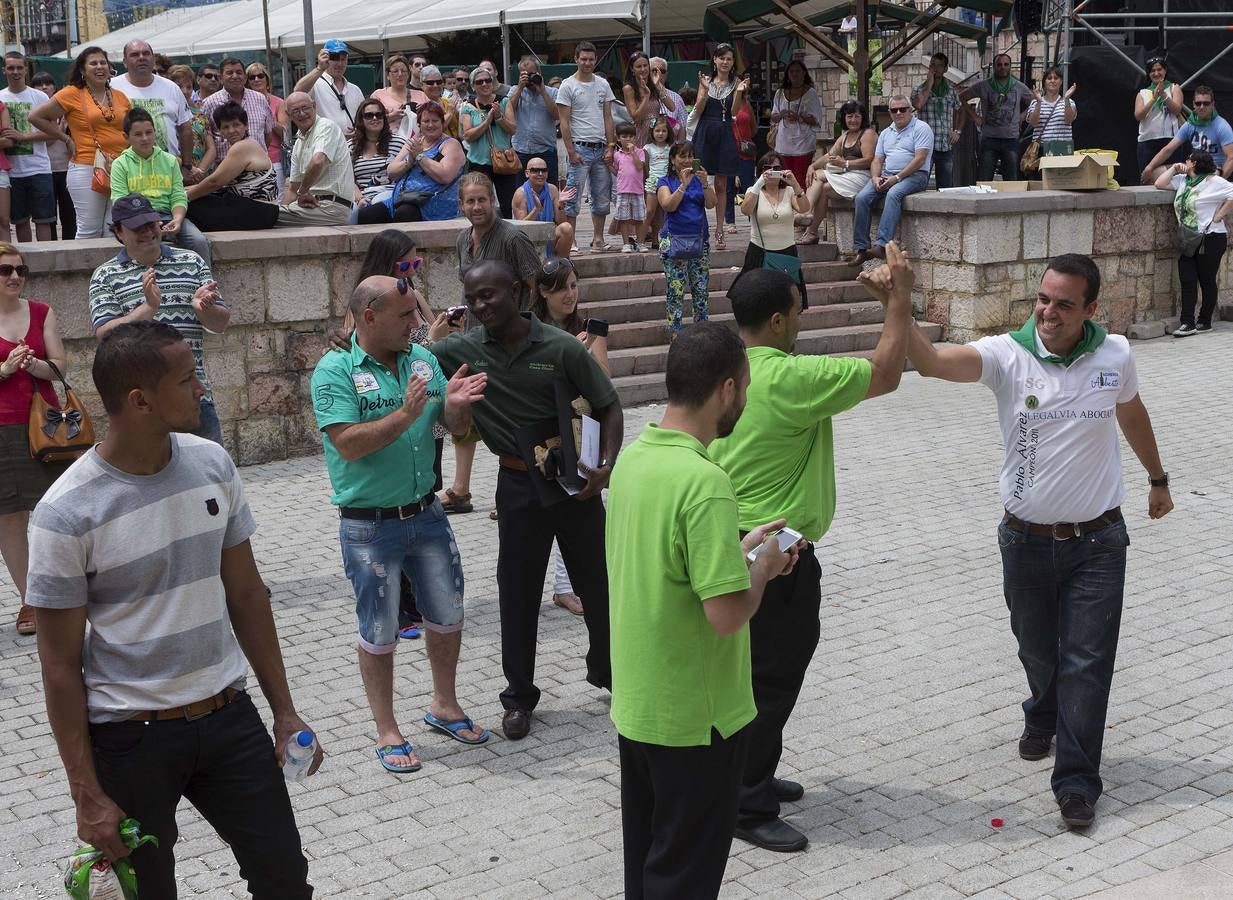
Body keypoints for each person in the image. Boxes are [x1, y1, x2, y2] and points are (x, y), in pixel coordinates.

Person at [28, 319, 321, 896]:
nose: (203, 389)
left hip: (228, 716)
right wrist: (85, 793)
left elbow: (248, 594)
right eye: (188, 380)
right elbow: (59, 665)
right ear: (139, 401)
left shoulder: (212, 463)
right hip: (130, 739)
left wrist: (284, 711)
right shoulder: (65, 513)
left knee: (285, 878)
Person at [905, 253, 1174, 830]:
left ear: (1091, 309)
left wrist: (1158, 479)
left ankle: (1076, 783)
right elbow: (928, 363)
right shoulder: (1008, 354)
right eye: (1043, 299)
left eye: (1064, 304)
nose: (1049, 312)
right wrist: (898, 303)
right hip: (1024, 542)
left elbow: (1131, 413)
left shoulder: (1116, 354)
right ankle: (1042, 710)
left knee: (1087, 662)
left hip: (1100, 541)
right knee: (1037, 648)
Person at [709, 251, 914, 853]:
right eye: (798, 310)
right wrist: (897, 299)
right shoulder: (792, 378)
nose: (802, 319)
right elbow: (887, 372)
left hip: (729, 546)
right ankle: (746, 800)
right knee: (771, 679)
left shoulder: (726, 371)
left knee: (748, 675)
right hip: (776, 556)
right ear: (777, 319)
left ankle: (752, 771)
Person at [607, 321, 799, 900]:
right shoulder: (706, 481)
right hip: (698, 719)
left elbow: (666, 571)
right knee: (684, 877)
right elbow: (726, 615)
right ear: (727, 390)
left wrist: (736, 550)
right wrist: (765, 565)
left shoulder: (634, 461)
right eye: (745, 386)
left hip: (640, 708)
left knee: (647, 863)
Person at [430, 259, 624, 741]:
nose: (480, 306)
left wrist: (607, 466)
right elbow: (403, 355)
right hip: (516, 487)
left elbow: (609, 404)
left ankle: (612, 673)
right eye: (472, 298)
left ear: (517, 292)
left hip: (573, 485)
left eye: (489, 295)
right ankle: (518, 698)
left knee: (598, 586)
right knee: (517, 595)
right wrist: (346, 343)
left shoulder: (560, 348)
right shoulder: (465, 349)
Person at [311, 275, 490, 773]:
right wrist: (407, 412)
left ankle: (444, 705)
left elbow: (448, 429)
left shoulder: (423, 360)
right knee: (379, 630)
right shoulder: (334, 370)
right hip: (369, 527)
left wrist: (452, 408)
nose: (417, 323)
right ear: (369, 317)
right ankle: (387, 729)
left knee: (448, 615)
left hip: (427, 514)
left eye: (415, 313)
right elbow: (348, 442)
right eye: (405, 315)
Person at [90, 193, 229, 445]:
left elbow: (220, 323)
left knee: (210, 477)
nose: (147, 232)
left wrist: (203, 309)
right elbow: (105, 335)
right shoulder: (105, 276)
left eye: (151, 224)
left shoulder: (191, 261)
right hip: (142, 405)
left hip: (193, 395)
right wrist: (148, 307)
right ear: (119, 233)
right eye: (137, 227)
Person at [0, 242, 68, 636]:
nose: (13, 277)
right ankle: (31, 601)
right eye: (5, 271)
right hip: (3, 427)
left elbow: (60, 364)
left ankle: (65, 588)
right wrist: (5, 369)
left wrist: (38, 365)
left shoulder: (41, 312)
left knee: (58, 511)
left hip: (47, 425)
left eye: (20, 271)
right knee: (10, 516)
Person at [29, 46, 131, 238]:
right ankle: (86, 269)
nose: (100, 67)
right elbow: (36, 117)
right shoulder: (72, 93)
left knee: (115, 229)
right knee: (89, 230)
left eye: (103, 62)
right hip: (86, 167)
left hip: (119, 167)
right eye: (93, 63)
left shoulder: (120, 96)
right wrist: (65, 138)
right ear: (83, 70)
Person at [109, 107, 212, 265]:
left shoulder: (170, 161)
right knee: (146, 247)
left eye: (149, 132)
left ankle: (206, 286)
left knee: (198, 241)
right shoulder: (120, 164)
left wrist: (177, 219)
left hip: (168, 216)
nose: (145, 138)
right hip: (136, 220)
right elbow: (120, 202)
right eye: (137, 134)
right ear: (126, 137)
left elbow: (178, 195)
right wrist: (148, 223)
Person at [846, 95, 932, 266]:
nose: (898, 113)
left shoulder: (922, 128)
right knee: (862, 197)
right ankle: (861, 248)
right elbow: (877, 160)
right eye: (894, 110)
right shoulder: (886, 133)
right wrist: (876, 177)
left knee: (893, 194)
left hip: (916, 176)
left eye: (903, 109)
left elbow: (920, 159)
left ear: (910, 110)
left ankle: (881, 245)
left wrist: (897, 178)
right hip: (888, 174)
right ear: (890, 112)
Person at [1154, 150, 1233, 337]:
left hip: (1210, 238)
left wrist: (1220, 214)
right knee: (1187, 280)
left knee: (1206, 280)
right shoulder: (1183, 181)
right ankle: (1187, 323)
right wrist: (1174, 168)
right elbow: (1159, 183)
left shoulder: (1213, 182)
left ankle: (1204, 321)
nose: (1185, 161)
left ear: (1195, 163)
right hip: (1188, 239)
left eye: (1188, 159)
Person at [360, 101, 463, 224]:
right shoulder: (414, 142)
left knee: (405, 213)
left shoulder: (450, 144)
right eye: (426, 121)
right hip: (402, 199)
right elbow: (391, 172)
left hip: (432, 201)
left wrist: (420, 156)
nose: (430, 125)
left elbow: (445, 176)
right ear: (419, 124)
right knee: (366, 215)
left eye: (435, 121)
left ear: (442, 122)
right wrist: (409, 162)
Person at [557, 41, 617, 252]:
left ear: (596, 59)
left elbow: (608, 117)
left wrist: (611, 146)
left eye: (591, 59)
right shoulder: (567, 85)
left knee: (601, 195)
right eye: (583, 59)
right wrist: (571, 151)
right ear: (576, 59)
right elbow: (563, 121)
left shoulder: (603, 84)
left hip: (601, 147)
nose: (587, 63)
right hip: (579, 147)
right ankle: (571, 241)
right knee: (573, 196)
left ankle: (598, 239)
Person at [185, 101, 279, 231]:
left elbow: (215, 182)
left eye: (236, 125)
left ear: (246, 125)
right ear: (220, 131)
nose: (231, 130)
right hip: (259, 211)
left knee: (187, 206)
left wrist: (184, 198)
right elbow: (219, 183)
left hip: (258, 212)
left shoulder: (243, 146)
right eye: (226, 127)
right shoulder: (247, 145)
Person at [109, 41, 195, 179]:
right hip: (126, 172)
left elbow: (185, 128)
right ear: (125, 62)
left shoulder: (171, 88)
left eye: (146, 53)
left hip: (167, 171)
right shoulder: (111, 87)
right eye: (135, 54)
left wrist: (186, 166)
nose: (141, 57)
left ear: (153, 59)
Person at [692, 43, 749, 251]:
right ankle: (698, 226)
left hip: (725, 132)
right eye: (722, 58)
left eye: (729, 59)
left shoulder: (736, 83)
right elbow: (698, 108)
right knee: (699, 180)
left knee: (722, 185)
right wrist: (705, 91)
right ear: (714, 60)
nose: (725, 62)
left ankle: (720, 229)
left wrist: (739, 92)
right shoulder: (705, 80)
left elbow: (733, 113)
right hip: (706, 131)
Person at [738, 152, 811, 308]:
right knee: (758, 303)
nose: (772, 171)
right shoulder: (754, 190)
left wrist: (795, 184)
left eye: (776, 167)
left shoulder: (790, 192)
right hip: (759, 252)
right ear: (761, 170)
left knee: (785, 303)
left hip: (786, 253)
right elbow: (745, 209)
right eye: (767, 168)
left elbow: (804, 208)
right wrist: (759, 183)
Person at [658, 140, 716, 335]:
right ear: (673, 159)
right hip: (674, 241)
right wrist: (683, 186)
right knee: (676, 291)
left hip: (699, 240)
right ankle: (675, 333)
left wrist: (706, 183)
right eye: (682, 156)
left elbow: (711, 204)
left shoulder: (700, 180)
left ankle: (702, 331)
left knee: (701, 290)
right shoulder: (664, 181)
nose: (687, 160)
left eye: (690, 156)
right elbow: (668, 205)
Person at [799, 100, 876, 244]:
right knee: (823, 189)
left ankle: (805, 212)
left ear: (863, 118)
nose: (853, 120)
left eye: (857, 116)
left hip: (863, 176)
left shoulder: (867, 134)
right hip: (848, 176)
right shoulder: (845, 136)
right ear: (844, 118)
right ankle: (812, 232)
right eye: (849, 116)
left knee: (819, 175)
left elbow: (869, 160)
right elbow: (828, 156)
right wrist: (812, 166)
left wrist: (845, 163)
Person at [1, 52, 55, 242]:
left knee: (44, 220)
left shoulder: (39, 97)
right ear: (4, 70)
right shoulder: (0, 97)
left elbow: (53, 133)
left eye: (19, 67)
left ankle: (48, 266)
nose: (15, 72)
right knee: (20, 222)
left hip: (39, 169)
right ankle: (27, 267)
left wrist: (22, 136)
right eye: (10, 68)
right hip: (12, 172)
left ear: (26, 69)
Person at [278, 91, 354, 226]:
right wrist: (280, 209)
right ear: (288, 115)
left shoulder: (325, 126)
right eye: (295, 110)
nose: (301, 113)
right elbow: (292, 190)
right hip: (310, 207)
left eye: (305, 108)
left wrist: (303, 192)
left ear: (314, 106)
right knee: (269, 215)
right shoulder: (298, 143)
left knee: (266, 216)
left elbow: (317, 161)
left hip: (333, 207)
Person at [1140, 85, 1233, 183]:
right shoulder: (1190, 124)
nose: (1202, 107)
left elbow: (1231, 158)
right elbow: (1168, 149)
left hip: (1213, 172)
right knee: (1153, 175)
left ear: (1213, 104)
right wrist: (1149, 168)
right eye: (1198, 103)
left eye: (1206, 103)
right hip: (1193, 169)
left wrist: (1219, 182)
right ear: (1193, 104)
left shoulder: (1221, 126)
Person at [963, 53, 1032, 181]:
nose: (1002, 67)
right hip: (989, 138)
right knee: (984, 178)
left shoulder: (1019, 86)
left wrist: (1023, 116)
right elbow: (962, 97)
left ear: (1010, 66)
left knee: (1011, 179)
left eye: (1006, 64)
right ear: (994, 67)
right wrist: (975, 117)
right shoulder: (984, 85)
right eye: (999, 65)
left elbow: (1034, 102)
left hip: (1011, 139)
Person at [459, 67, 517, 218]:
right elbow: (468, 135)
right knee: (479, 203)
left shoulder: (503, 101)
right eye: (480, 82)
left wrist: (499, 117)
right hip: (479, 162)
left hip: (504, 160)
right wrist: (487, 121)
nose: (485, 84)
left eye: (488, 80)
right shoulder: (468, 106)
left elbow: (512, 129)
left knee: (507, 204)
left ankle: (506, 236)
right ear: (473, 86)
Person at [201, 57, 276, 160]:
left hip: (258, 168)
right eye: (229, 73)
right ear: (221, 79)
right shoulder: (209, 103)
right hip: (225, 170)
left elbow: (268, 134)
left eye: (239, 72)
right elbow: (205, 140)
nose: (235, 76)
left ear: (245, 77)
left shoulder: (260, 99)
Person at [29, 71, 74, 240]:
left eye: (48, 84)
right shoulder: (35, 114)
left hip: (66, 167)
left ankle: (70, 245)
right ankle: (54, 244)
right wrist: (59, 131)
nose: (44, 87)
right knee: (49, 216)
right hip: (45, 170)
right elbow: (47, 142)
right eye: (39, 84)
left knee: (69, 212)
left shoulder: (65, 109)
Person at [911, 52, 964, 189]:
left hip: (944, 145)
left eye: (939, 66)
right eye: (932, 65)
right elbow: (918, 105)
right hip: (925, 146)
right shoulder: (919, 89)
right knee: (920, 184)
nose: (935, 69)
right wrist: (929, 84)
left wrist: (957, 131)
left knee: (945, 187)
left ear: (945, 69)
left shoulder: (951, 91)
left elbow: (961, 110)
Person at [350, 98, 408, 215]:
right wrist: (360, 198)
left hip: (390, 193)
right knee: (351, 214)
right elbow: (348, 180)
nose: (375, 118)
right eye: (369, 115)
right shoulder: (350, 146)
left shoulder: (399, 143)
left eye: (379, 115)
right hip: (360, 196)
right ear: (361, 119)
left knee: (376, 206)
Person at [770, 60, 823, 187]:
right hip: (783, 143)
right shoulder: (779, 93)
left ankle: (801, 205)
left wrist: (799, 117)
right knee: (783, 180)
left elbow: (816, 120)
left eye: (798, 71)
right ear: (787, 74)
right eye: (791, 71)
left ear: (804, 73)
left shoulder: (811, 93)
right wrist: (782, 115)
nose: (794, 74)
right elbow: (773, 117)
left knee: (800, 180)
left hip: (803, 144)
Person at [294, 41, 364, 138]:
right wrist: (320, 68)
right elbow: (298, 92)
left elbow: (363, 116)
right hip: (324, 144)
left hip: (352, 146)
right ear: (326, 58)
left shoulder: (355, 89)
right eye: (335, 59)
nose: (340, 63)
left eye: (343, 59)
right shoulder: (315, 84)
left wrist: (359, 129)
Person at [512, 155, 575, 258]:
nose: (540, 174)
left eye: (544, 170)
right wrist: (536, 209)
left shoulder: (552, 190)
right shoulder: (520, 194)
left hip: (548, 235)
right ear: (527, 173)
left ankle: (561, 266)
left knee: (566, 229)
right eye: (535, 170)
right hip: (527, 240)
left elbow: (561, 222)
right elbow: (521, 229)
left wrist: (561, 205)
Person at [509, 56, 560, 181]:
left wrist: (542, 90)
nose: (529, 78)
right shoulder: (515, 90)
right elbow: (508, 110)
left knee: (549, 190)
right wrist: (520, 87)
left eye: (531, 74)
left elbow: (557, 115)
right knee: (521, 192)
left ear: (539, 72)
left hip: (546, 150)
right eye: (524, 74)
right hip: (521, 150)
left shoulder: (552, 92)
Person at [1134, 57, 1184, 179]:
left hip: (1171, 139)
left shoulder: (1174, 88)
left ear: (1165, 70)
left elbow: (1177, 109)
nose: (1156, 73)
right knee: (1147, 178)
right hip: (1147, 141)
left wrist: (1163, 95)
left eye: (1159, 69)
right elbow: (1138, 116)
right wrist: (1154, 98)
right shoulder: (1142, 93)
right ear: (1149, 73)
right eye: (1153, 71)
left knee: (1173, 177)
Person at [166, 65, 216, 178]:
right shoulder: (166, 114)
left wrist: (199, 171)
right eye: (179, 87)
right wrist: (186, 169)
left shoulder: (200, 114)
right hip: (175, 172)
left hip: (200, 176)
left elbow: (211, 148)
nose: (185, 91)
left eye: (189, 87)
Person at [245, 61, 284, 193]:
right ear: (248, 81)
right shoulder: (243, 102)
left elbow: (284, 134)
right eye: (252, 77)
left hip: (273, 159)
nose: (256, 79)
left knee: (276, 198)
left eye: (260, 76)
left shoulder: (279, 102)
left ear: (267, 79)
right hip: (248, 160)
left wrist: (267, 113)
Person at [1027, 68, 1078, 160]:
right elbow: (1033, 123)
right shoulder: (1035, 102)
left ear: (1061, 81)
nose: (1052, 81)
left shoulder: (1070, 102)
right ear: (1044, 82)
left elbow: (1069, 120)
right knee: (1042, 174)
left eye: (1056, 78)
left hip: (1063, 148)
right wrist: (1039, 102)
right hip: (1041, 149)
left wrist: (1066, 99)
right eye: (1049, 78)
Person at [611, 122, 647, 252]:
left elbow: (639, 166)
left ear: (635, 138)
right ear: (618, 138)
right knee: (623, 218)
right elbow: (617, 171)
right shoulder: (617, 155)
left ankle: (640, 242)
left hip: (637, 190)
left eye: (631, 136)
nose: (628, 139)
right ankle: (626, 243)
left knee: (639, 218)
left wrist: (633, 152)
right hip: (622, 190)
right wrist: (608, 165)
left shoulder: (640, 152)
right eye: (625, 136)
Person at [637, 116, 673, 248]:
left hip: (666, 182)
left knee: (663, 213)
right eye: (657, 131)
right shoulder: (648, 148)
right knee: (650, 211)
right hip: (652, 181)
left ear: (668, 132)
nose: (660, 134)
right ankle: (640, 241)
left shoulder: (670, 148)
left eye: (663, 131)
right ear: (652, 132)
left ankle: (657, 240)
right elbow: (645, 168)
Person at [370, 55, 422, 139]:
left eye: (403, 71)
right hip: (388, 144)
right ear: (387, 75)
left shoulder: (421, 95)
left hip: (418, 144)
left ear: (408, 74)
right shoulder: (378, 95)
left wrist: (424, 112)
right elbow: (369, 121)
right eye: (395, 71)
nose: (400, 74)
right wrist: (390, 117)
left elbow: (433, 119)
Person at [622, 52, 667, 148]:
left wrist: (658, 85)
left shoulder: (654, 84)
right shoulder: (629, 88)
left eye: (645, 65)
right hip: (640, 133)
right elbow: (636, 118)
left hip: (656, 132)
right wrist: (646, 96)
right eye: (638, 66)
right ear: (632, 69)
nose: (643, 69)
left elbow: (672, 107)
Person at [649, 57, 687, 141]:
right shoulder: (642, 95)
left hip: (670, 148)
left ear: (666, 75)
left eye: (662, 71)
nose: (658, 74)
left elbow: (682, 126)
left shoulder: (676, 98)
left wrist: (679, 149)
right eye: (654, 70)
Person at [418, 65, 460, 141]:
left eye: (439, 82)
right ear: (421, 85)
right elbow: (432, 131)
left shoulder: (448, 102)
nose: (435, 86)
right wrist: (450, 114)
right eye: (430, 83)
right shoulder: (420, 106)